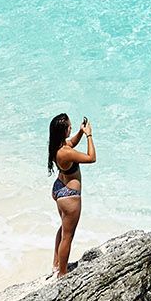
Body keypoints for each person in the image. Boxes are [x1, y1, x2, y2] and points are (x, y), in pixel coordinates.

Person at [48, 113, 95, 279]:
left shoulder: (57, 146)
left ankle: (56, 265)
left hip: (60, 188)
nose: (71, 128)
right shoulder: (66, 153)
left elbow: (72, 142)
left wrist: (81, 133)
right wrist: (89, 134)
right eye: (69, 127)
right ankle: (62, 274)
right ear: (63, 131)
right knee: (68, 236)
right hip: (70, 196)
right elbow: (91, 158)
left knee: (63, 229)